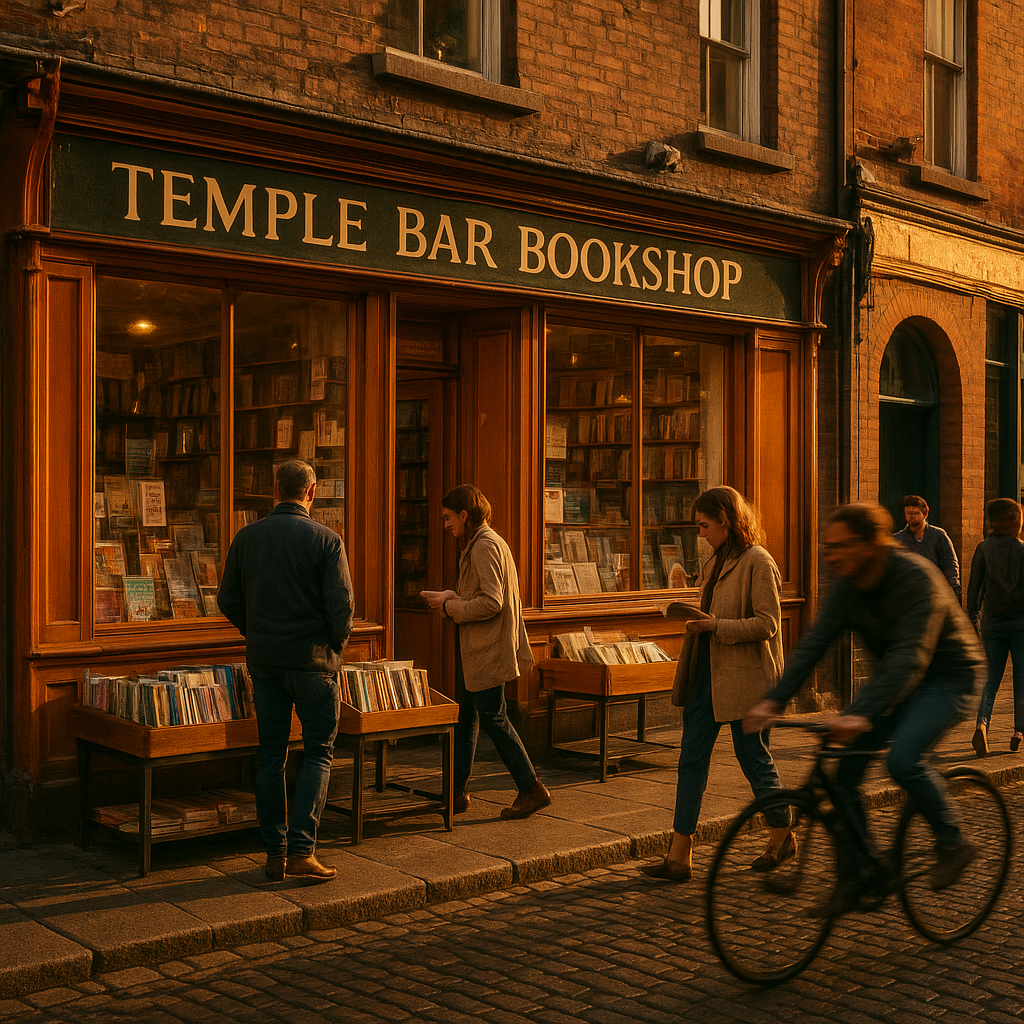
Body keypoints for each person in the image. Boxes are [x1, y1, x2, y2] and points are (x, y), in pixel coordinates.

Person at [745, 502, 986, 909]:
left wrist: (860, 714)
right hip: (896, 682)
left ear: (872, 544)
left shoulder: (916, 578)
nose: (832, 556)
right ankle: (860, 873)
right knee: (841, 778)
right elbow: (814, 644)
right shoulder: (848, 584)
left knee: (903, 761)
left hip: (949, 677)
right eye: (828, 548)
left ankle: (953, 843)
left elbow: (911, 655)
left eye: (841, 546)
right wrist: (773, 700)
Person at [641, 486, 791, 882]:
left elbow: (768, 623)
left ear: (726, 520)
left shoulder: (759, 562)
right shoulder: (713, 561)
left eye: (705, 526)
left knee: (753, 760)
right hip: (704, 677)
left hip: (744, 680)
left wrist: (715, 625)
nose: (701, 534)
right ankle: (679, 856)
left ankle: (782, 832)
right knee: (690, 762)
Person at [218, 459, 354, 883]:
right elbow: (342, 607)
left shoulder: (247, 536)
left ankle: (275, 853)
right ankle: (301, 851)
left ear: (275, 490)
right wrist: (334, 644)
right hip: (313, 664)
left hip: (266, 662)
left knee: (271, 756)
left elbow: (227, 599)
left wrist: (254, 630)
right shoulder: (327, 540)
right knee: (318, 752)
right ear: (311, 492)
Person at [422, 484, 550, 820]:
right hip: (477, 650)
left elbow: (492, 602)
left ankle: (531, 787)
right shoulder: (482, 542)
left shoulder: (485, 545)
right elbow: (481, 594)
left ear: (465, 515)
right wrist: (452, 596)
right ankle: (457, 791)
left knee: (493, 717)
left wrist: (450, 606)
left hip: (486, 649)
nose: (446, 525)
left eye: (449, 518)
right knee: (467, 718)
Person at [966, 498, 1024, 756]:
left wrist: (973, 616)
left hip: (992, 622)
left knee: (990, 679)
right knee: (1021, 680)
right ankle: (1018, 731)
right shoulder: (1023, 550)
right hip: (1021, 623)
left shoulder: (983, 548)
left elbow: (974, 586)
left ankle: (982, 724)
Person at [893, 494, 962, 601]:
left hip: (934, 593)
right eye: (908, 513)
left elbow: (950, 563)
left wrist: (954, 589)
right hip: (907, 596)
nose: (912, 517)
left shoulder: (938, 536)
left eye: (916, 513)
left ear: (925, 513)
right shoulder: (898, 539)